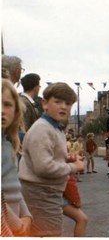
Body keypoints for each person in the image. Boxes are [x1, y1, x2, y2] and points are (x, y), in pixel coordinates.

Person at [18, 82, 84, 237]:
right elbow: (43, 167)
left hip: (46, 192)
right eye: (58, 101)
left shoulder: (54, 127)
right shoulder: (43, 129)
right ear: (45, 103)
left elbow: (45, 157)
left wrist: (66, 158)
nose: (63, 107)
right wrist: (74, 167)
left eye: (68, 103)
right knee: (50, 235)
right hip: (40, 194)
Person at [1, 79, 32, 236]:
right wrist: (18, 226)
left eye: (7, 104)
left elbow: (14, 187)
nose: (2, 110)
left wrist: (26, 215)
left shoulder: (8, 143)